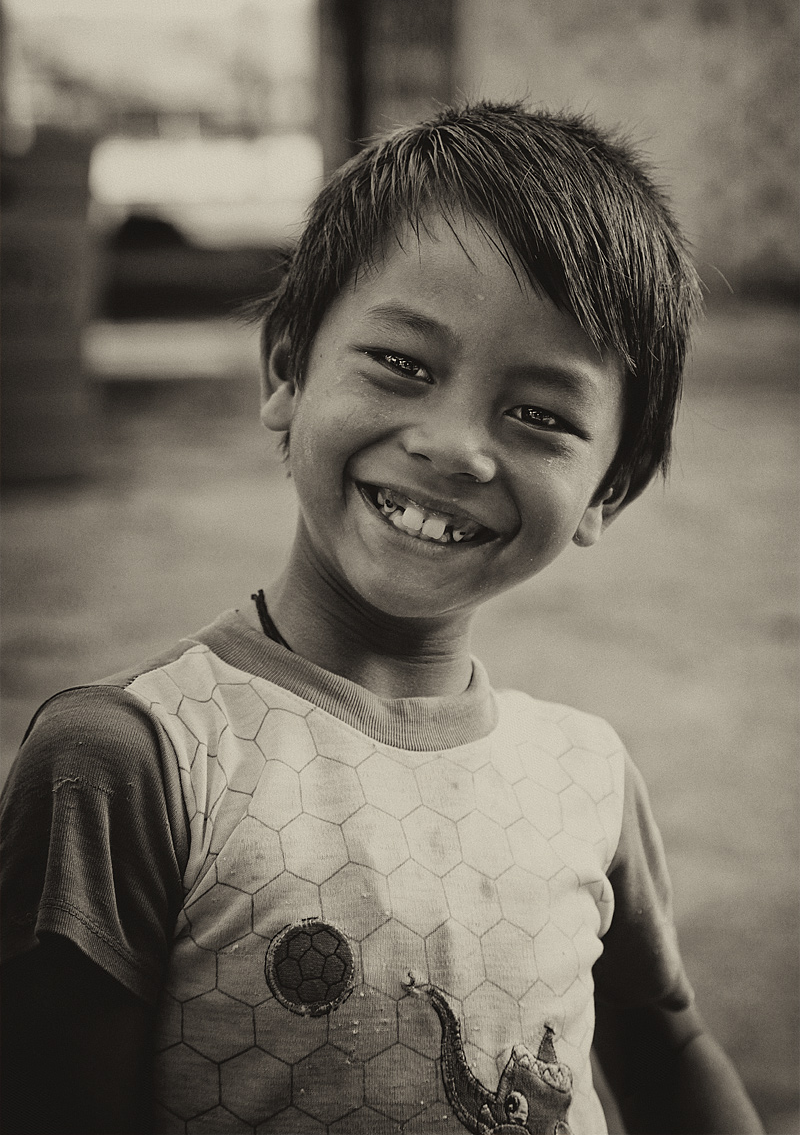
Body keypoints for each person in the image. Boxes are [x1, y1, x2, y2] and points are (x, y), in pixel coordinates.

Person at [0, 101, 763, 1135]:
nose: (452, 447)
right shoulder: (134, 761)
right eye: (401, 364)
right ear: (285, 371)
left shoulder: (583, 774)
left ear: (604, 493)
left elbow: (664, 1041)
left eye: (538, 414)